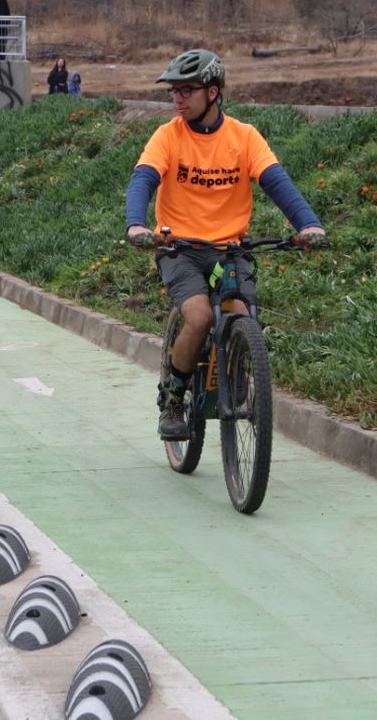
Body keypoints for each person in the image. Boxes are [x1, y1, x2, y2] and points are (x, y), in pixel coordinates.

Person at [123, 49, 326, 440]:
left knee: (242, 313)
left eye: (187, 90)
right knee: (198, 317)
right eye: (174, 92)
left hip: (229, 250)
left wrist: (309, 226)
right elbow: (143, 178)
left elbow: (277, 183)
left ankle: (237, 376)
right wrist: (136, 224)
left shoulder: (244, 137)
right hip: (178, 248)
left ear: (213, 92)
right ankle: (173, 399)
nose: (177, 99)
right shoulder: (168, 135)